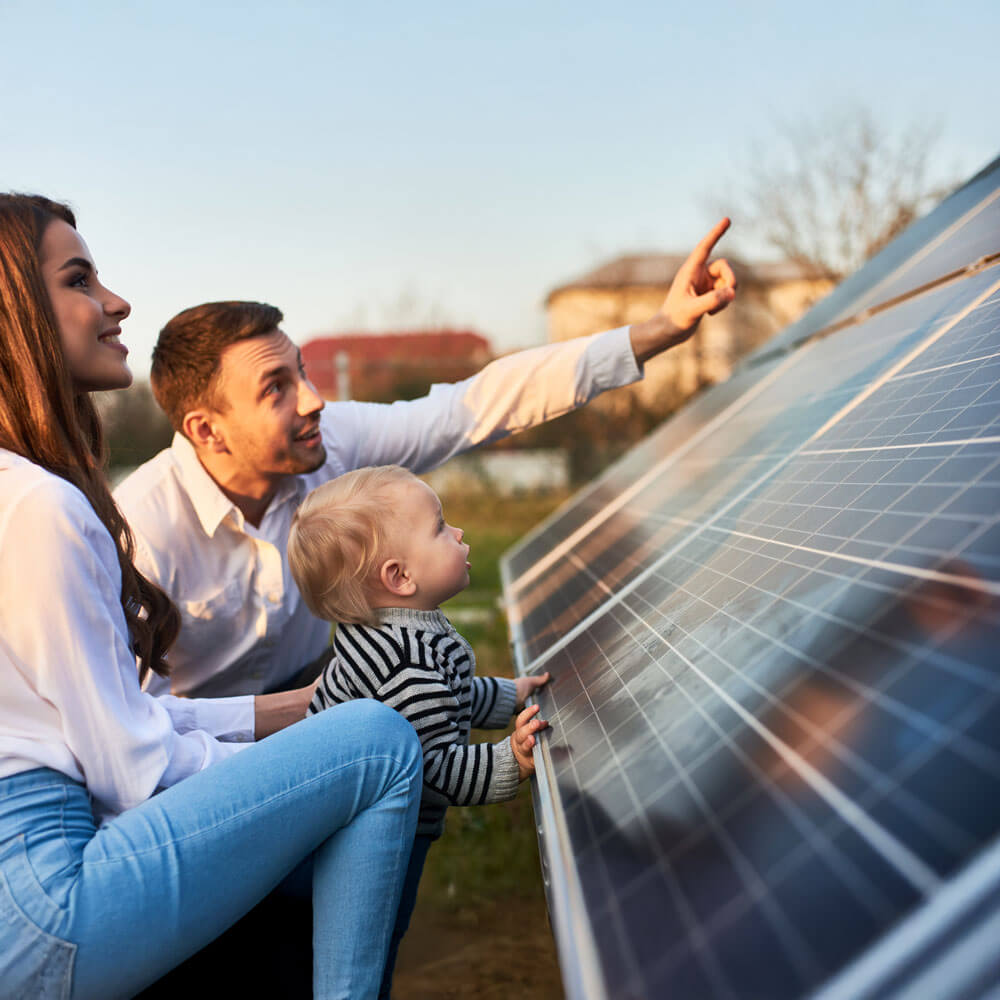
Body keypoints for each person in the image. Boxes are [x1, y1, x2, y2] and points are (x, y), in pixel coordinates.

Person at [0, 192, 424, 1000]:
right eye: (80, 279)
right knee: (379, 744)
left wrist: (304, 711)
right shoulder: (41, 510)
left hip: (28, 889)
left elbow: (112, 715)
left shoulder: (17, 492)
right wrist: (301, 761)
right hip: (48, 907)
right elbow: (132, 767)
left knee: (350, 728)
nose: (117, 302)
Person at [113, 219, 737, 704]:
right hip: (201, 751)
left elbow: (474, 406)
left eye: (301, 370)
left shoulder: (330, 440)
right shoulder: (141, 530)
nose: (314, 398)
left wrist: (659, 329)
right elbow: (136, 729)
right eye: (276, 387)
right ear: (207, 430)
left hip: (315, 691)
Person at [287, 464, 552, 998]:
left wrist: (511, 694)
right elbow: (436, 768)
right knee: (370, 944)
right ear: (399, 577)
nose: (457, 534)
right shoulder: (408, 664)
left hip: (340, 825)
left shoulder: (403, 636)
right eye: (440, 527)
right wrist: (512, 761)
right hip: (366, 840)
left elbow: (454, 695)